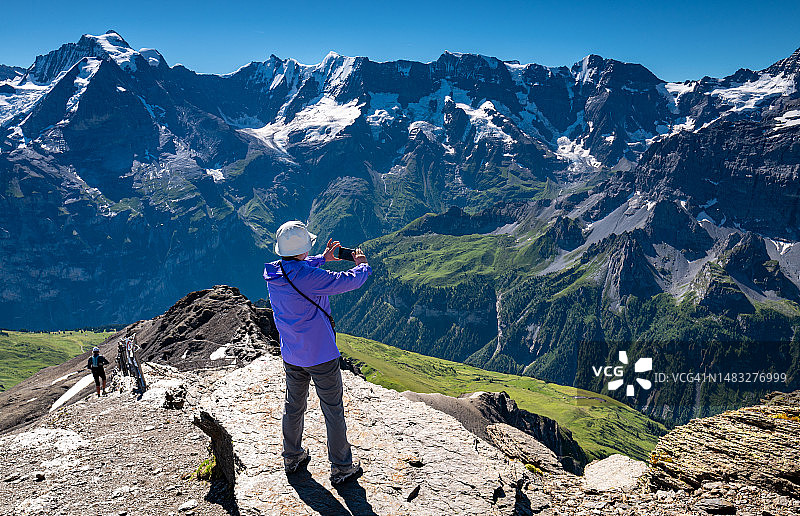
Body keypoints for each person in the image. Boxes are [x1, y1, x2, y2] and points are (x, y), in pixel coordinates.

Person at [263, 220, 371, 486]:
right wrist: (362, 264)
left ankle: (292, 456)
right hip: (321, 354)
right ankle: (341, 467)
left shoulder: (273, 273)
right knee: (332, 409)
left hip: (291, 353)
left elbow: (297, 267)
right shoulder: (311, 279)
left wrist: (321, 259)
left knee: (293, 405)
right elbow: (349, 281)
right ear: (303, 248)